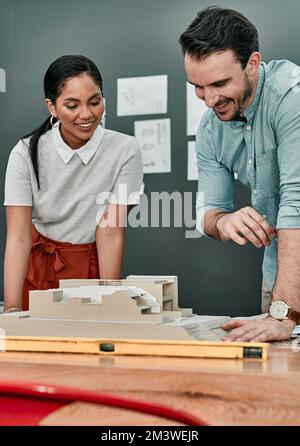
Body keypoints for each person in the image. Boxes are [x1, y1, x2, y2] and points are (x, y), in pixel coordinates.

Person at [179, 6, 300, 342]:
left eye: (219, 83)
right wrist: (223, 221)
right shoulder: (210, 128)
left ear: (253, 63)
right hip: (281, 281)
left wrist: (283, 314)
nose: (209, 100)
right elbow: (206, 212)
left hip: (285, 301)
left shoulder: (292, 98)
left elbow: (297, 202)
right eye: (198, 87)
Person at [4, 55, 143, 312]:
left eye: (95, 102)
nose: (86, 114)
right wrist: (11, 310)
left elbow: (110, 231)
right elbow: (19, 236)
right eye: (72, 105)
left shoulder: (125, 150)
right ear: (52, 107)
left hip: (91, 268)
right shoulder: (25, 153)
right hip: (38, 268)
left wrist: (111, 301)